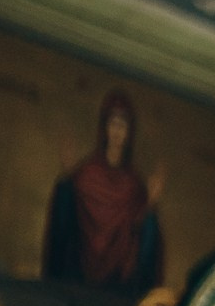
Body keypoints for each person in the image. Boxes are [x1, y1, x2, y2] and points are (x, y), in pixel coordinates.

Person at [43, 88, 164, 292]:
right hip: (77, 285)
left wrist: (150, 205)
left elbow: (142, 245)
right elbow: (64, 227)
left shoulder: (134, 187)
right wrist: (66, 180)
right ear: (105, 128)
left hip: (115, 290)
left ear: (129, 133)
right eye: (113, 123)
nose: (117, 131)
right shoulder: (86, 174)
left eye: (123, 125)